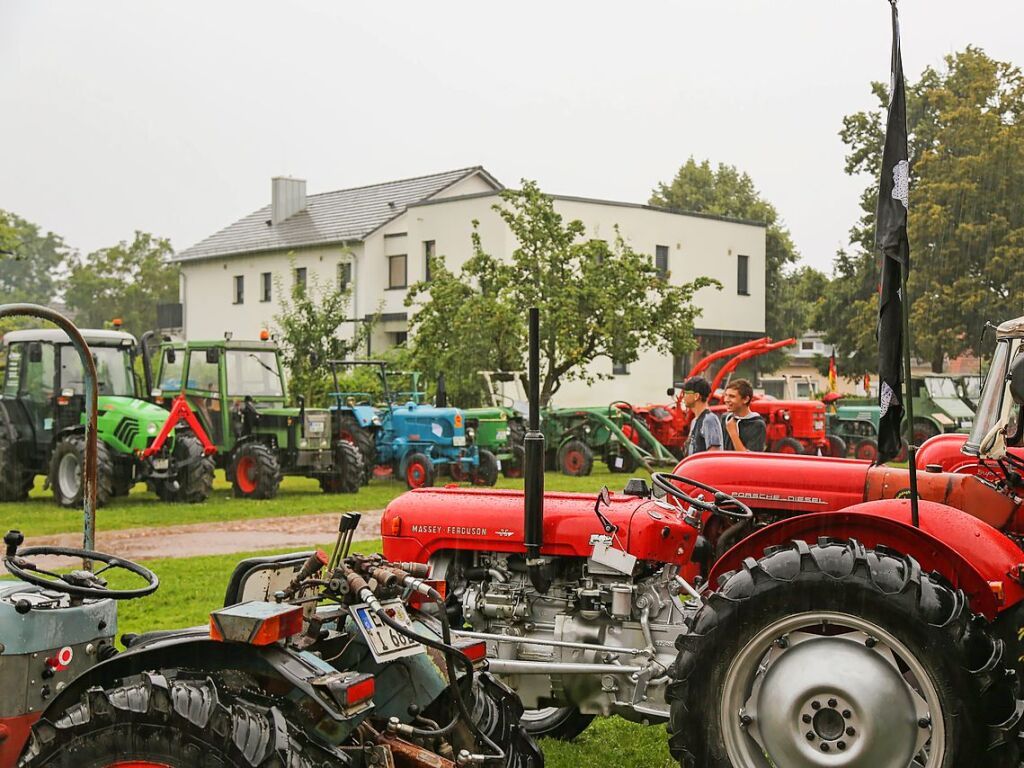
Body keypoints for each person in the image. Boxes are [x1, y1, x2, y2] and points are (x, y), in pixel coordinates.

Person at [720, 378, 766, 452]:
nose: (726, 400)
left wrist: (733, 433)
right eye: (726, 395)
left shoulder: (757, 425)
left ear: (745, 399)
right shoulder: (725, 418)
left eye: (732, 396)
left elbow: (749, 459)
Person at [681, 375, 722, 456]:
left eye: (685, 393)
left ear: (696, 396)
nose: (683, 397)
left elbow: (713, 453)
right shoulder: (694, 421)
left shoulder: (709, 420)